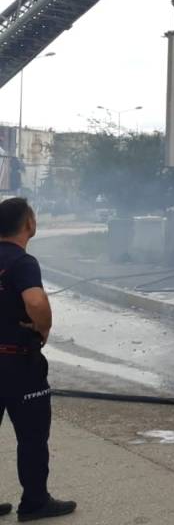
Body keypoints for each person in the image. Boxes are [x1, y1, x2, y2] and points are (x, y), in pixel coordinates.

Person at [0, 198, 76, 522]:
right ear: (28, 224)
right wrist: (43, 328)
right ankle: (35, 503)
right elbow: (35, 300)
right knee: (32, 435)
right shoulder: (22, 261)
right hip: (18, 364)